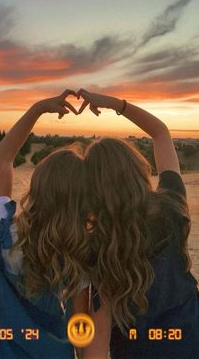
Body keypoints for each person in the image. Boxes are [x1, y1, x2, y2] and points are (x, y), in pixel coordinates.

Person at [76, 89, 199, 359]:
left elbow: (100, 330)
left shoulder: (99, 240)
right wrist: (115, 104)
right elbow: (160, 133)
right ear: (137, 167)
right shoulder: (171, 205)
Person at [0, 90, 90, 359]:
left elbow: (3, 158)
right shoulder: (81, 247)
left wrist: (38, 109)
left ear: (37, 185)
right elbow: (80, 325)